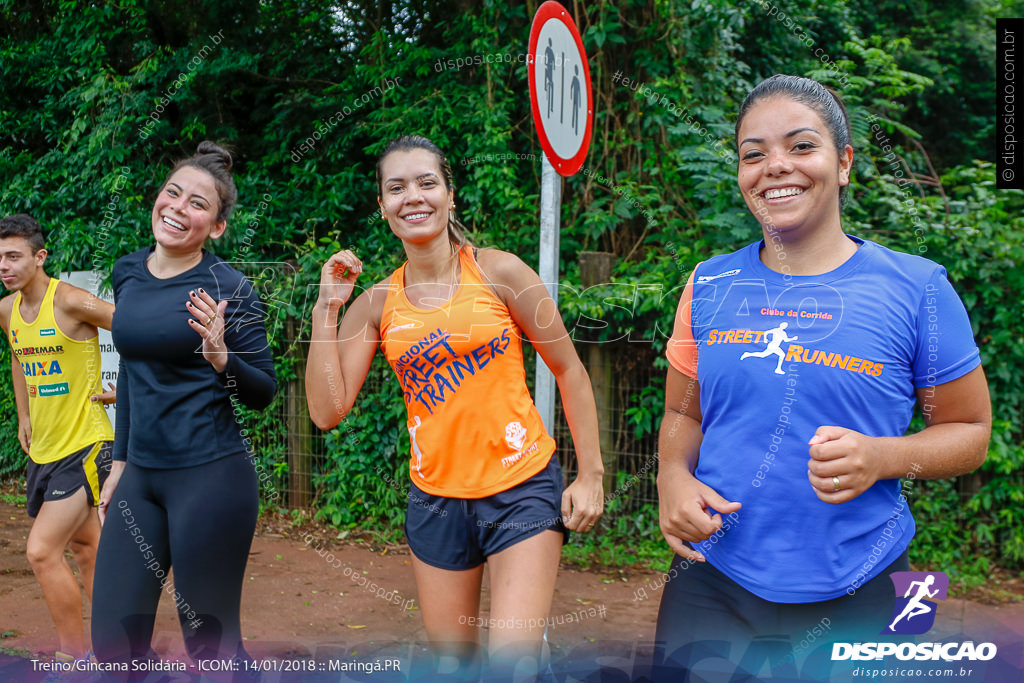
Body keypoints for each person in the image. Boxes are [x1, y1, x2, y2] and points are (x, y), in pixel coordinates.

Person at [654, 75, 991, 681]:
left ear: (844, 163)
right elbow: (685, 414)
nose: (775, 167)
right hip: (713, 581)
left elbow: (970, 431)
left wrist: (883, 457)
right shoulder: (710, 283)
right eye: (753, 154)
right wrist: (672, 477)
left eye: (801, 146)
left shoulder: (918, 289)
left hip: (864, 588)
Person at [305, 135, 604, 680]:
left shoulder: (501, 272)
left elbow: (570, 371)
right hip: (436, 501)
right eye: (396, 187)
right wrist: (327, 310)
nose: (412, 197)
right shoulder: (374, 304)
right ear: (382, 206)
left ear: (449, 194)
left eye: (426, 182)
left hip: (522, 487)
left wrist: (591, 475)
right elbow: (328, 410)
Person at [90, 142, 276, 677]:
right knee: (114, 648)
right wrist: (120, 464)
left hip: (211, 480)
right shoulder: (128, 271)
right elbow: (132, 369)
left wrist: (223, 360)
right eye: (173, 192)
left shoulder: (229, 287)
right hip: (140, 478)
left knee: (212, 650)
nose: (177, 207)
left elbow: (262, 393)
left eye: (198, 203)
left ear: (216, 227)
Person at [0, 213, 115, 663]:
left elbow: (140, 333)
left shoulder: (69, 301)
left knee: (41, 550)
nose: (4, 266)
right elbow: (16, 354)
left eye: (13, 256)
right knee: (87, 547)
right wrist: (23, 413)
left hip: (85, 444)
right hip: (44, 447)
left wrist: (132, 389)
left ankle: (75, 659)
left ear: (39, 256)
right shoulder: (7, 310)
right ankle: (117, 651)